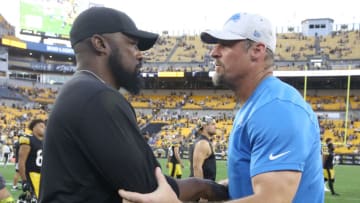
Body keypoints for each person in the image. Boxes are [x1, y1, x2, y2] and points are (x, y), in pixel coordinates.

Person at [119, 12, 324, 203]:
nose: (213, 52)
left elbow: (271, 199)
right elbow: (248, 185)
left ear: (257, 51)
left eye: (225, 45)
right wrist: (203, 187)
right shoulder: (258, 105)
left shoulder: (277, 109)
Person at [39, 7, 228, 203]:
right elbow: (151, 189)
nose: (140, 55)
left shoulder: (79, 89)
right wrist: (207, 187)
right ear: (100, 44)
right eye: (133, 44)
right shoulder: (98, 96)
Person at [18, 119, 45, 199]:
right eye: (41, 126)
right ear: (33, 128)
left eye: (44, 127)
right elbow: (21, 161)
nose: (44, 128)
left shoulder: (45, 141)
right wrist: (24, 180)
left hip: (43, 176)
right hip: (32, 175)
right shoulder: (28, 139)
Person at [189, 116, 217, 181]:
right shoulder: (202, 143)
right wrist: (201, 190)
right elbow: (197, 168)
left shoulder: (202, 141)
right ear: (204, 126)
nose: (215, 126)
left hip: (206, 185)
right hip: (203, 187)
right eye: (212, 124)